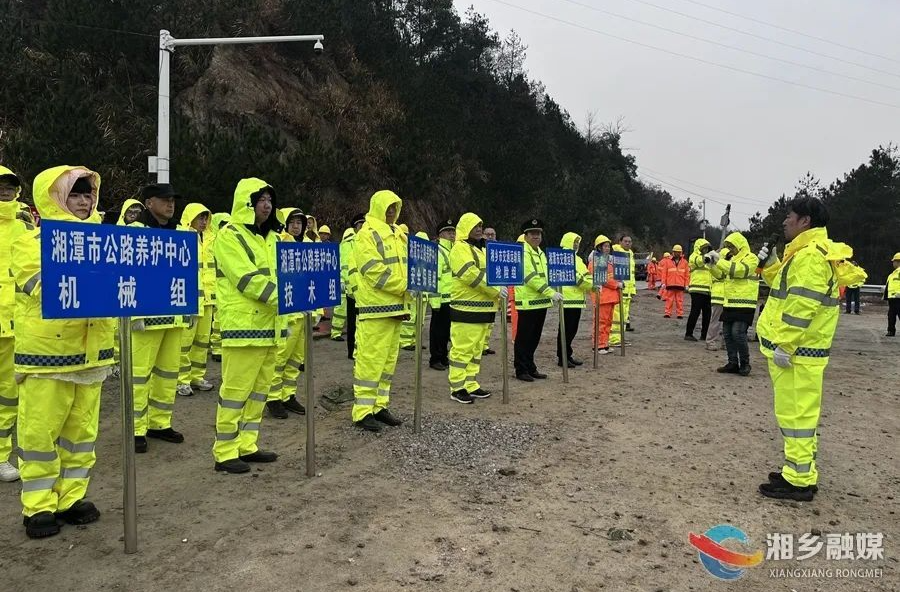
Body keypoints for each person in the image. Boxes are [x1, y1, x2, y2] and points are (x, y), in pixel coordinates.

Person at [13, 166, 113, 538]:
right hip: (47, 357)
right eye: (75, 194)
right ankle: (38, 506)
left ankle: (71, 498)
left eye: (88, 194)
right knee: (40, 434)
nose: (84, 201)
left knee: (81, 434)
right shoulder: (30, 241)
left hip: (93, 355)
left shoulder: (106, 241)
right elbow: (39, 284)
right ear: (54, 199)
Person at [756, 197, 862, 501]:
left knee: (796, 417)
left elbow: (802, 304)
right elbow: (783, 285)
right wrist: (770, 260)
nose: (784, 221)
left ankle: (799, 480)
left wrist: (785, 344)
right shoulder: (804, 253)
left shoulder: (810, 257)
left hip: (797, 353)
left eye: (790, 216)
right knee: (797, 415)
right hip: (800, 353)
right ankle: (799, 470)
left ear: (805, 221)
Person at [212, 178, 283, 474]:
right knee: (236, 391)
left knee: (259, 391)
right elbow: (246, 279)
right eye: (260, 199)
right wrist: (287, 298)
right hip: (243, 327)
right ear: (247, 203)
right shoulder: (229, 236)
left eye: (269, 200)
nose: (266, 205)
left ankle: (247, 444)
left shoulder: (272, 238)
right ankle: (225, 451)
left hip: (271, 326)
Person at [131, 184, 188, 453]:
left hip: (174, 315)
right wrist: (133, 314)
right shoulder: (135, 232)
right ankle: (135, 428)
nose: (170, 204)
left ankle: (159, 423)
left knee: (167, 374)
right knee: (139, 374)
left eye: (172, 200)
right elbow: (128, 276)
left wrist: (189, 308)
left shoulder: (180, 234)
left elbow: (189, 274)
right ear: (148, 202)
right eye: (164, 200)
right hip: (147, 317)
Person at [351, 191, 408, 432]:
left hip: (396, 307)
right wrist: (405, 286)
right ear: (378, 208)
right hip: (376, 308)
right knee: (370, 361)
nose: (392, 212)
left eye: (395, 208)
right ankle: (362, 411)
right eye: (388, 208)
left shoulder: (398, 234)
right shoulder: (367, 234)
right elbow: (372, 270)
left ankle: (379, 406)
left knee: (387, 362)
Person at [0, 166, 33, 483]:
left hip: (13, 324)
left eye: (10, 186)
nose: (5, 190)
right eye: (0, 186)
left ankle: (1, 455)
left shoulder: (24, 225)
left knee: (9, 395)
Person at [447, 213, 500, 403]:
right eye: (475, 226)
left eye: (481, 225)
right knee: (462, 349)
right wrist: (495, 290)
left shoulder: (479, 250)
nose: (479, 229)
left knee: (476, 350)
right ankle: (457, 387)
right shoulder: (460, 248)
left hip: (483, 308)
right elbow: (469, 275)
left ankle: (470, 383)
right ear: (465, 228)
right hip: (466, 308)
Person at [267, 208, 309, 419]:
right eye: (292, 222)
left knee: (296, 358)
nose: (296, 226)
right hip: (286, 313)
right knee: (280, 357)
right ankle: (273, 397)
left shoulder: (308, 245)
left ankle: (288, 394)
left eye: (299, 222)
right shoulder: (277, 243)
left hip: (304, 313)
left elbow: (315, 280)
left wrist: (317, 310)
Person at [176, 204, 215, 397]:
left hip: (208, 300)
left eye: (205, 218)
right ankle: (181, 380)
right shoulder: (180, 236)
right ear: (190, 217)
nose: (203, 222)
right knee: (184, 342)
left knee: (202, 342)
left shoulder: (211, 239)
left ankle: (197, 376)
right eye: (200, 217)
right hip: (189, 299)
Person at [706, 232, 759, 376]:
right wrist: (711, 265)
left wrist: (719, 260)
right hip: (729, 302)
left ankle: (745, 364)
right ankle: (732, 363)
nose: (730, 249)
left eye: (732, 246)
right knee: (728, 334)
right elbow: (721, 275)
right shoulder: (731, 260)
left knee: (738, 333)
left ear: (740, 245)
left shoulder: (751, 258)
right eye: (728, 246)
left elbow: (738, 271)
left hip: (745, 303)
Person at [514, 219, 561, 381]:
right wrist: (550, 292)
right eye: (533, 233)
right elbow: (530, 277)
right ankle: (521, 369)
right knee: (524, 338)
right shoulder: (522, 252)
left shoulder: (539, 252)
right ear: (525, 235)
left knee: (534, 337)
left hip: (540, 302)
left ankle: (530, 366)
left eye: (539, 233)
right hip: (528, 302)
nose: (536, 236)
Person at [557, 232, 592, 367]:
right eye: (574, 241)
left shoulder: (576, 258)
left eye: (578, 242)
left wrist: (590, 283)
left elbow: (585, 275)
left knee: (571, 330)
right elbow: (576, 277)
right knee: (566, 330)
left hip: (576, 298)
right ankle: (562, 357)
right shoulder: (564, 257)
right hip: (568, 299)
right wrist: (592, 285)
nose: (576, 244)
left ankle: (567, 355)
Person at [429, 218, 455, 370]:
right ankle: (435, 359)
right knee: (437, 331)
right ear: (440, 235)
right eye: (448, 231)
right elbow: (435, 277)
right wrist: (435, 301)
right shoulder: (438, 251)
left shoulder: (453, 250)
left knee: (447, 331)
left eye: (453, 231)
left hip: (452, 298)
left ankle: (443, 356)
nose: (452, 234)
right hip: (441, 299)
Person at [587, 235, 620, 354]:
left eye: (608, 246)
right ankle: (598, 345)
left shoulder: (607, 260)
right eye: (605, 246)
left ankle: (604, 344)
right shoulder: (597, 261)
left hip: (610, 296)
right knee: (600, 322)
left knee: (608, 322)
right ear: (599, 247)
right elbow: (602, 279)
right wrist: (616, 285)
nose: (608, 248)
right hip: (602, 296)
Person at [208, 213, 231, 361]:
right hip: (211, 286)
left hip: (226, 286)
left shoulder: (230, 241)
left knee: (223, 320)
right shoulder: (210, 241)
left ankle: (221, 346)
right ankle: (216, 348)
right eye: (222, 224)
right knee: (217, 321)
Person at [344, 213, 366, 358]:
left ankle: (362, 349)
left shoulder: (368, 240)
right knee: (353, 323)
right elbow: (346, 267)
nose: (363, 227)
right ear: (355, 227)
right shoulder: (349, 243)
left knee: (363, 323)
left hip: (366, 291)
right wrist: (352, 288)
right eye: (360, 225)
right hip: (353, 290)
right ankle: (352, 350)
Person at [331, 226, 356, 342]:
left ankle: (336, 332)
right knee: (342, 309)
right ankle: (336, 333)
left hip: (342, 282)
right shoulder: (350, 246)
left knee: (340, 309)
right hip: (349, 283)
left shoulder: (341, 247)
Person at [685, 238, 713, 341]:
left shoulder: (708, 257)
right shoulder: (694, 256)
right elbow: (699, 261)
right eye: (704, 248)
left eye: (707, 248)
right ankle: (688, 334)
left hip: (707, 289)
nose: (705, 250)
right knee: (695, 311)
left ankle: (704, 335)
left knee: (707, 313)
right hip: (697, 289)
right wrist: (709, 257)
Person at [611, 236, 636, 339]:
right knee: (617, 316)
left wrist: (632, 290)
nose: (627, 243)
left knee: (624, 317)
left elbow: (632, 275)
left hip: (628, 292)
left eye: (629, 242)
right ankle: (613, 338)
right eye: (625, 241)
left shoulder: (630, 254)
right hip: (619, 290)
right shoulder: (615, 252)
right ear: (620, 242)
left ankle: (620, 338)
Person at [659, 245, 689, 318]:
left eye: (679, 252)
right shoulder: (668, 261)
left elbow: (687, 275)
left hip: (680, 284)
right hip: (670, 284)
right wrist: (663, 282)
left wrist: (687, 284)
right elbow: (664, 273)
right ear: (673, 252)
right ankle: (667, 313)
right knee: (669, 300)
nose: (677, 254)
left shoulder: (685, 262)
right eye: (676, 252)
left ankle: (679, 314)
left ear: (681, 252)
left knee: (679, 301)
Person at [482, 226, 498, 356]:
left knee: (490, 323)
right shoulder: (480, 249)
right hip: (482, 290)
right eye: (487, 234)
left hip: (495, 292)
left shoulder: (498, 251)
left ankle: (485, 345)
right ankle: (480, 346)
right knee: (482, 322)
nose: (490, 236)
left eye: (492, 234)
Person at [706, 263, 726, 351]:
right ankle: (710, 341)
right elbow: (721, 274)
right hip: (719, 296)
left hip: (729, 296)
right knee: (716, 321)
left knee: (727, 322)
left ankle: (725, 343)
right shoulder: (718, 262)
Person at [886, 253, 900, 336]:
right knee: (891, 315)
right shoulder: (893, 273)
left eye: (894, 261)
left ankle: (891, 330)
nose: (893, 263)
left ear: (898, 262)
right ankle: (891, 331)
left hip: (898, 297)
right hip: (893, 298)